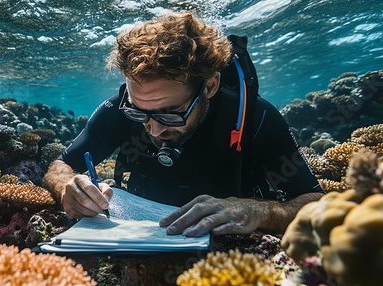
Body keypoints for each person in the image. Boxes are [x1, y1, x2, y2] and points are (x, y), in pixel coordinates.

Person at [43, 12, 324, 238]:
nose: (153, 130)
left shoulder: (256, 117)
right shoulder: (119, 109)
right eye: (139, 113)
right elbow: (61, 165)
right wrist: (67, 186)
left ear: (210, 86)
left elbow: (316, 202)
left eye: (170, 114)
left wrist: (257, 211)